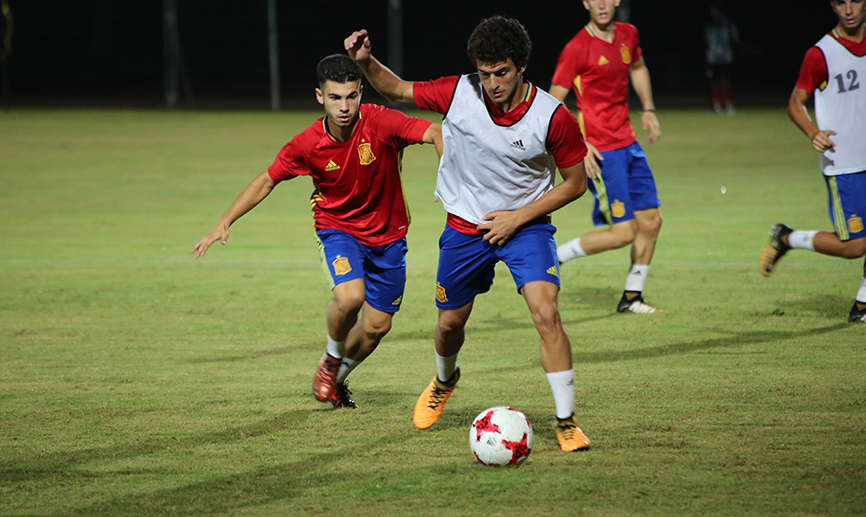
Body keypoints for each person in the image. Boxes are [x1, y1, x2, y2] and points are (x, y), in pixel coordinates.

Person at [346, 16, 593, 452]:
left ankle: (566, 421)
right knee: (448, 325)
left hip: (526, 228)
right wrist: (366, 61)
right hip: (464, 228)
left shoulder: (552, 117)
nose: (493, 83)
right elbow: (399, 89)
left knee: (546, 312)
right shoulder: (459, 92)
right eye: (485, 72)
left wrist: (517, 219)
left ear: (521, 66)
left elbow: (575, 184)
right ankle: (445, 380)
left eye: (502, 72)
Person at [192, 54, 443, 407]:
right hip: (338, 230)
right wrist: (224, 221)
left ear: (360, 94)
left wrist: (447, 174)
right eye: (335, 97)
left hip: (389, 238)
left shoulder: (382, 122)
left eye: (351, 96)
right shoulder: (307, 143)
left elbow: (435, 131)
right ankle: (330, 358)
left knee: (377, 327)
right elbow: (267, 180)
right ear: (319, 97)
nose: (344, 106)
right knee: (351, 298)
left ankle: (336, 379)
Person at [550, 0, 664, 315]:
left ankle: (632, 297)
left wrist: (649, 109)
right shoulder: (577, 47)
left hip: (629, 144)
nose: (601, 4)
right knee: (625, 232)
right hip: (601, 153)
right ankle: (555, 256)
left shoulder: (629, 34)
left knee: (651, 222)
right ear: (585, 3)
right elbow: (554, 101)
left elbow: (638, 68)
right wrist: (580, 143)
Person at [760, 0, 866, 323]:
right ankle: (788, 237)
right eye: (841, 2)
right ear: (833, 6)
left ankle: (862, 306)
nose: (849, 9)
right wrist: (812, 131)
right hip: (844, 164)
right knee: (855, 247)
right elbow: (795, 101)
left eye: (856, 1)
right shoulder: (820, 54)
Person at [704, 2, 739, 115]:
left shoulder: (728, 26)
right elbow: (706, 42)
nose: (715, 15)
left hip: (726, 58)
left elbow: (735, 41)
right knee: (714, 82)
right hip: (712, 58)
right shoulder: (709, 27)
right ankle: (717, 105)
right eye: (713, 13)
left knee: (726, 81)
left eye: (717, 12)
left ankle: (729, 104)